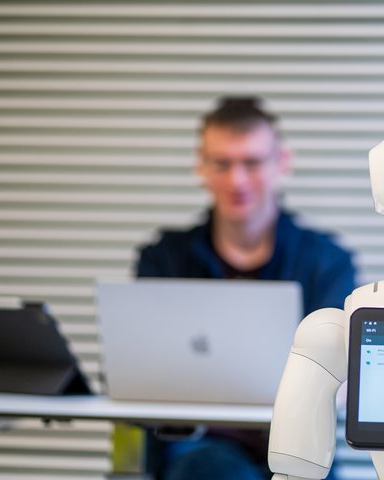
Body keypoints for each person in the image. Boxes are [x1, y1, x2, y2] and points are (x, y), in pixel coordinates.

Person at [134, 96, 356, 480]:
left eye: (252, 163)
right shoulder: (164, 260)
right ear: (201, 166)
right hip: (195, 451)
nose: (237, 180)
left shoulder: (326, 262)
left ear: (281, 163)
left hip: (299, 452)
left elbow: (341, 379)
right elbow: (140, 367)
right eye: (222, 163)